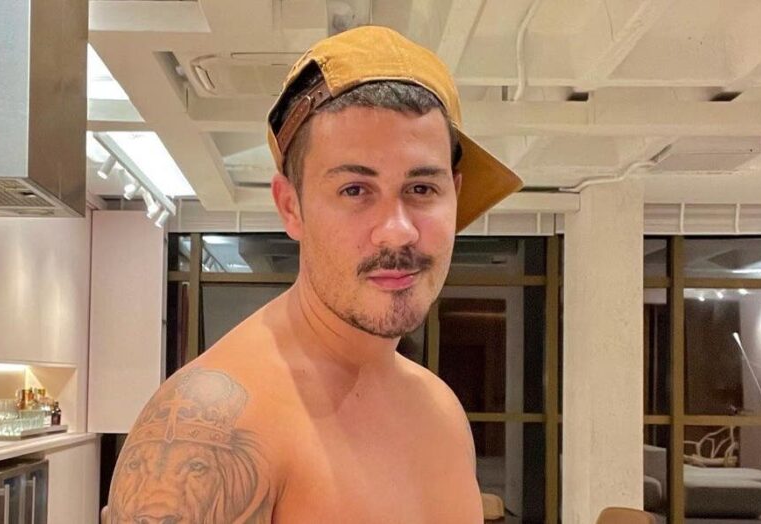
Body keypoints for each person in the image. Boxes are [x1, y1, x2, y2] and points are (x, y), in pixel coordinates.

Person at [106, 25, 522, 523]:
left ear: (454, 193)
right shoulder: (214, 429)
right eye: (355, 190)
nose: (397, 231)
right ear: (291, 206)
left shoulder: (442, 410)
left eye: (421, 189)